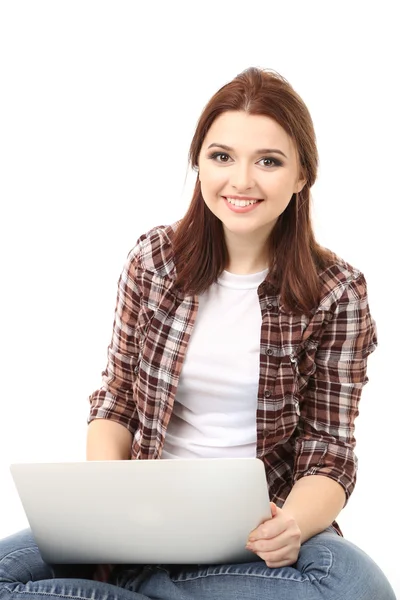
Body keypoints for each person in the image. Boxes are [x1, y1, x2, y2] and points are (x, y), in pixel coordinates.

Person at [0, 67, 396, 600]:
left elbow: (330, 450)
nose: (242, 181)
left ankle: (141, 588)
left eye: (269, 162)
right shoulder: (154, 261)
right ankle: (148, 578)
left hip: (259, 525)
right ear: (200, 163)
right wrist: (109, 508)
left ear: (303, 175)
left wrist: (294, 526)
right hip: (145, 513)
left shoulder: (336, 291)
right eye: (222, 156)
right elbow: (116, 403)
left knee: (357, 587)